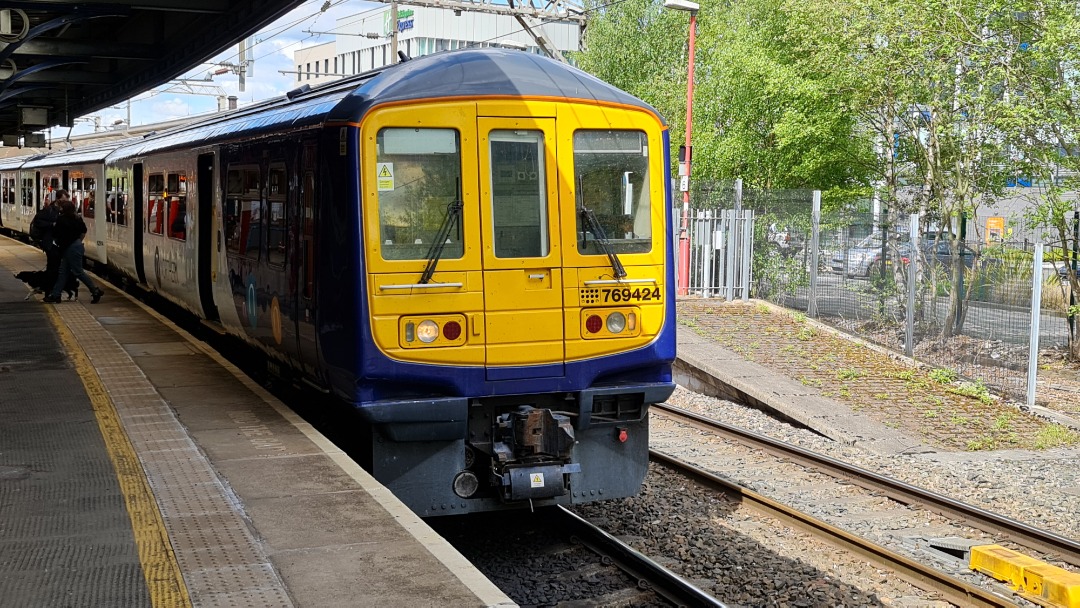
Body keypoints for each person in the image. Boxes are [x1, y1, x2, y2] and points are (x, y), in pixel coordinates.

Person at [44, 201, 104, 304]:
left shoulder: (61, 219)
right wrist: (78, 241)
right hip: (76, 245)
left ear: (64, 209)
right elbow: (84, 230)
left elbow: (56, 234)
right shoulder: (77, 218)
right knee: (63, 272)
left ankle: (95, 291)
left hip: (69, 248)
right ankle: (56, 295)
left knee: (78, 271)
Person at [29, 190, 64, 293]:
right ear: (58, 199)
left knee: (54, 267)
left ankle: (51, 288)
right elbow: (38, 222)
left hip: (55, 244)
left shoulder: (60, 211)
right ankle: (50, 289)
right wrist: (51, 224)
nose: (66, 201)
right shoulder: (48, 211)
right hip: (50, 244)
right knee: (53, 267)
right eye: (64, 199)